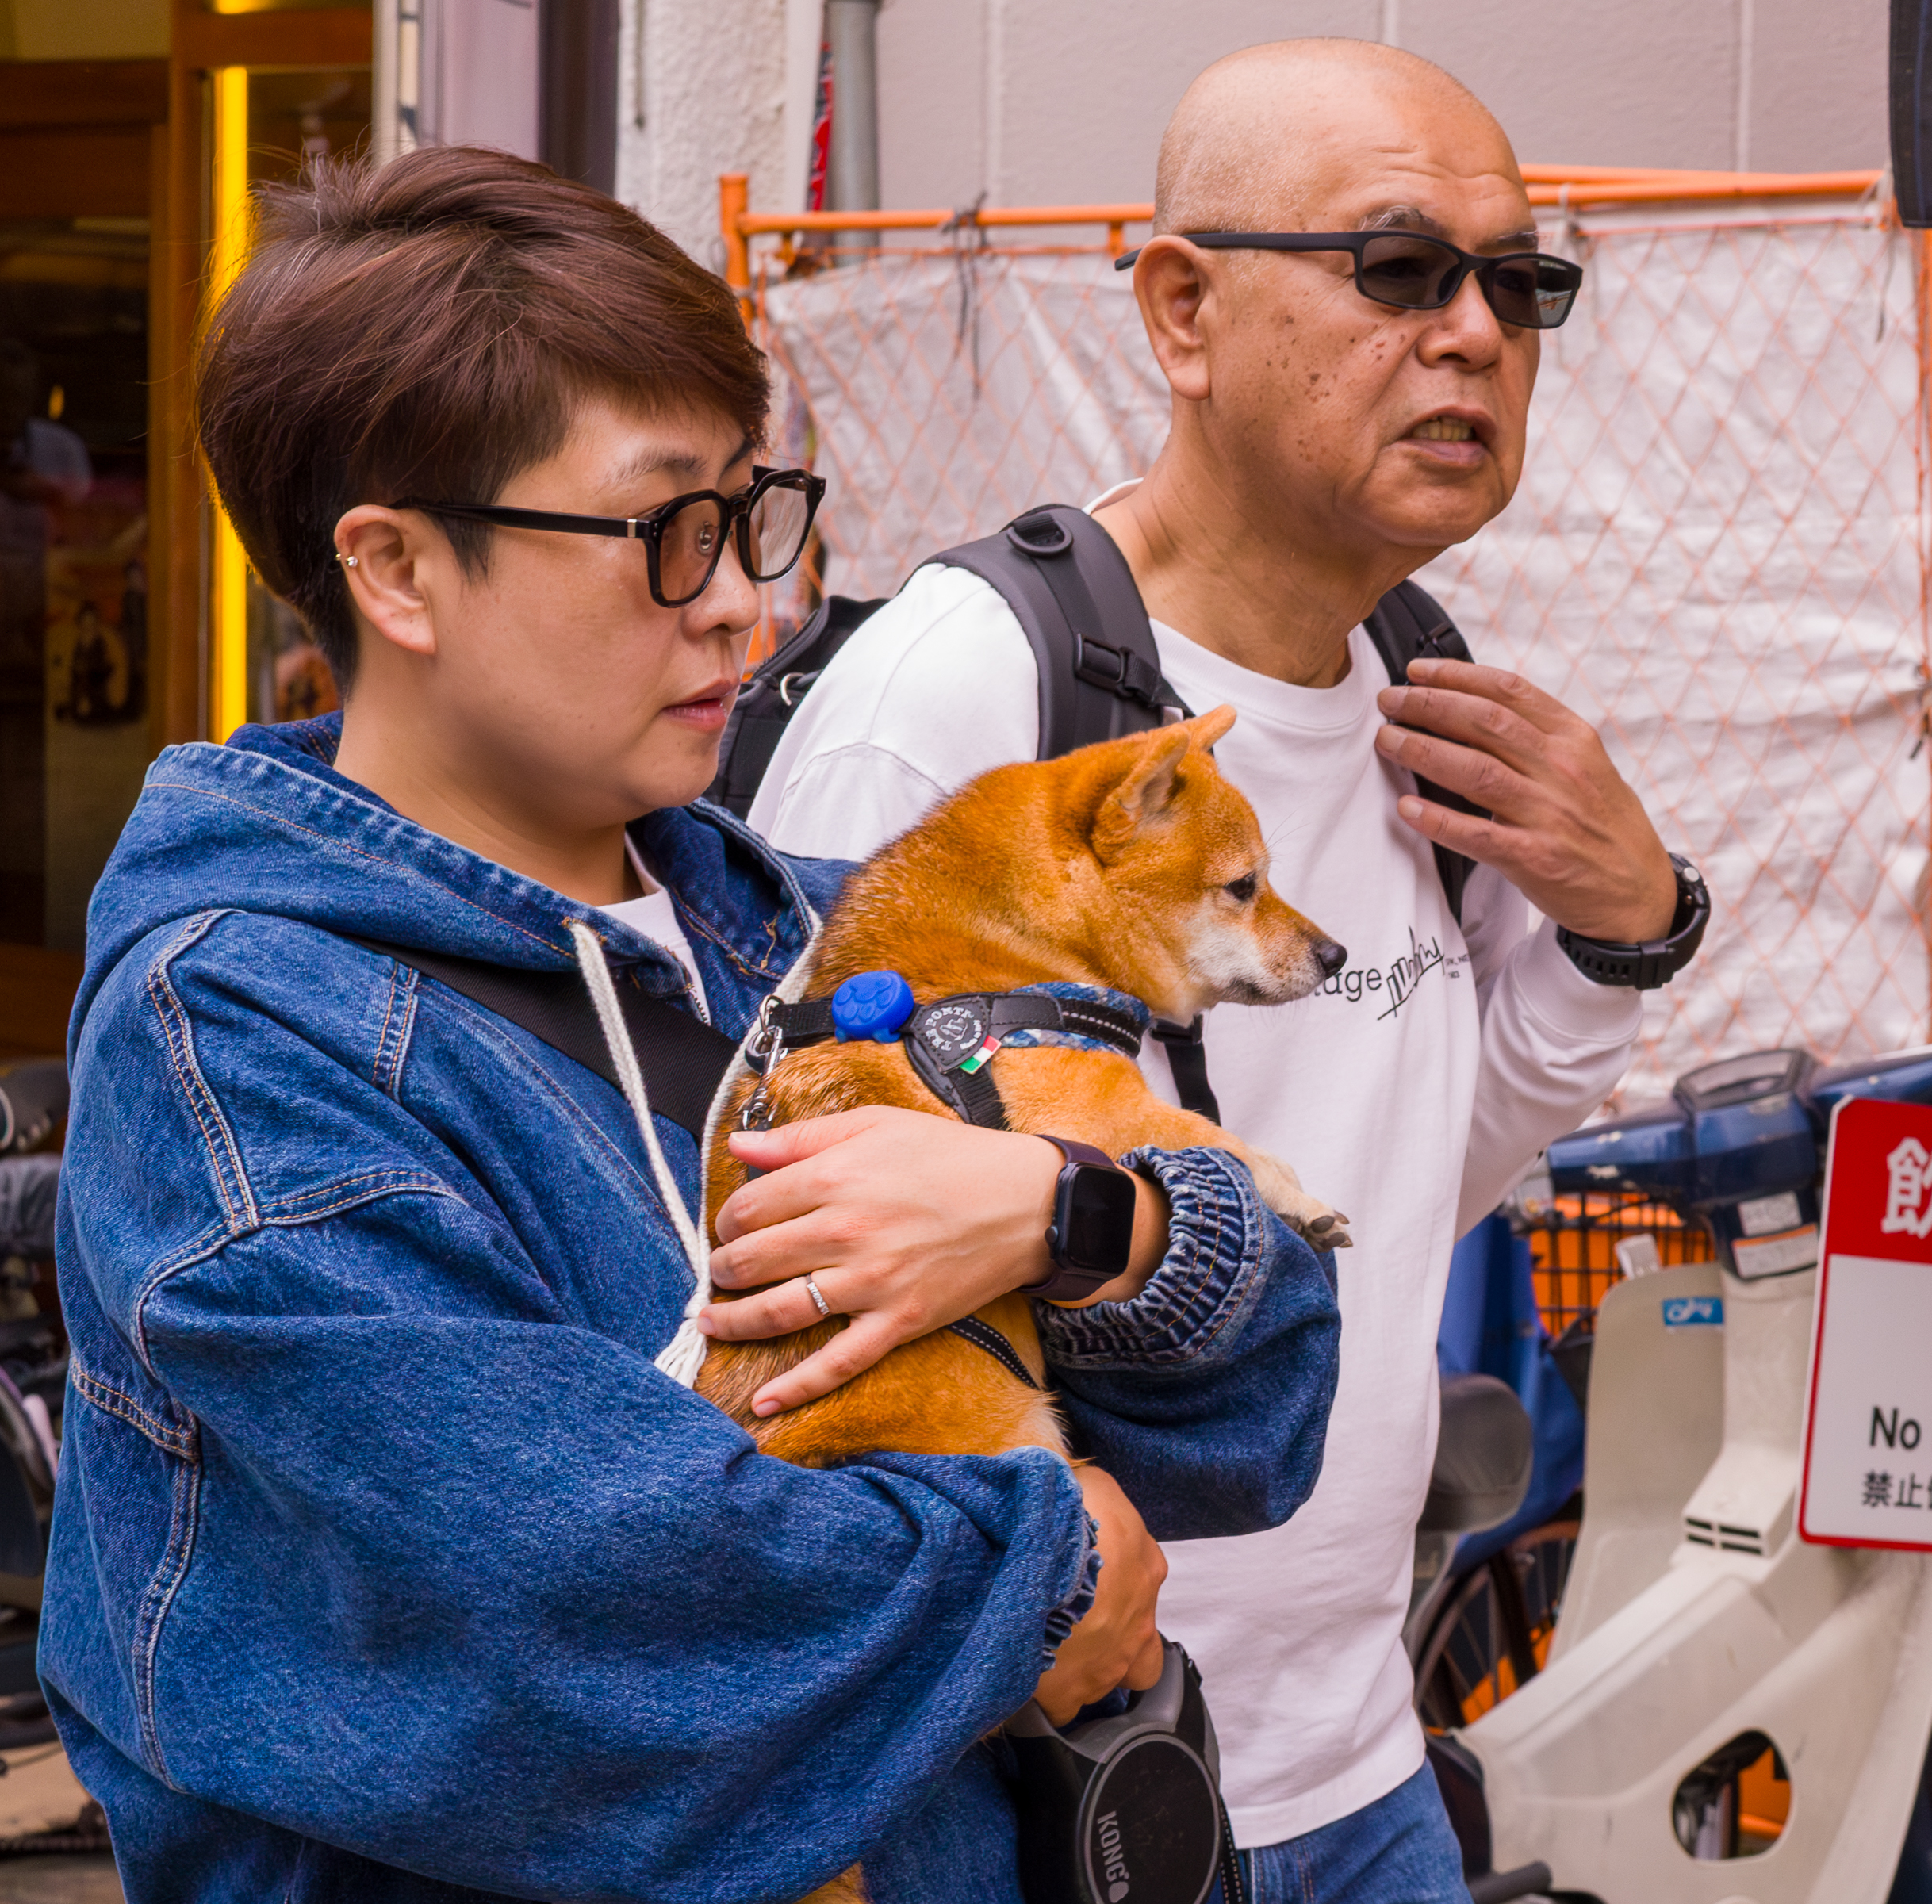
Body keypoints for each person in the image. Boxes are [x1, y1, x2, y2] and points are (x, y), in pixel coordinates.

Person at [44, 146, 1337, 1903]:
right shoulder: (243, 1038)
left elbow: (1261, 1401)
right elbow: (591, 1596)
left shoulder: (822, 923)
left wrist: (1075, 1220)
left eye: (753, 511)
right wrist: (1043, 1572)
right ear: (397, 571)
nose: (749, 599)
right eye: (666, 528)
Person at [742, 36, 1699, 1904]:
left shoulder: (1421, 687)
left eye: (1525, 284)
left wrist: (1619, 926)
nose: (1480, 335)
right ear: (1181, 310)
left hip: (1356, 1756)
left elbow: (1405, 1183)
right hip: (1025, 1785)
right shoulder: (967, 697)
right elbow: (754, 1236)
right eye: (1404, 270)